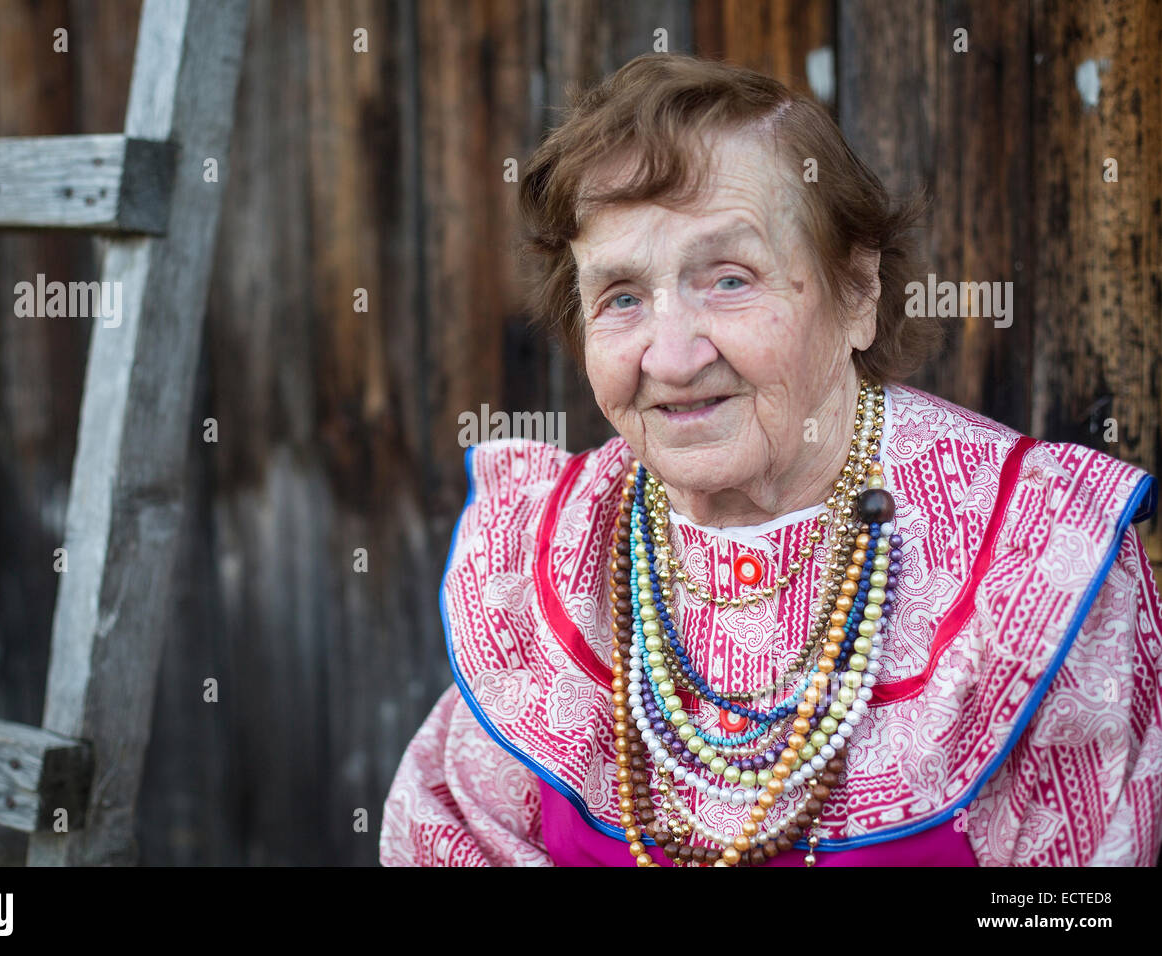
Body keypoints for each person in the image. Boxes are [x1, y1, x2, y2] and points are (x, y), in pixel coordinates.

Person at [379, 54, 1162, 866]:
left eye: (728, 279)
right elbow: (451, 836)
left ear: (856, 291)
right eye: (621, 296)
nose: (672, 357)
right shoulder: (551, 553)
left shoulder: (1041, 558)